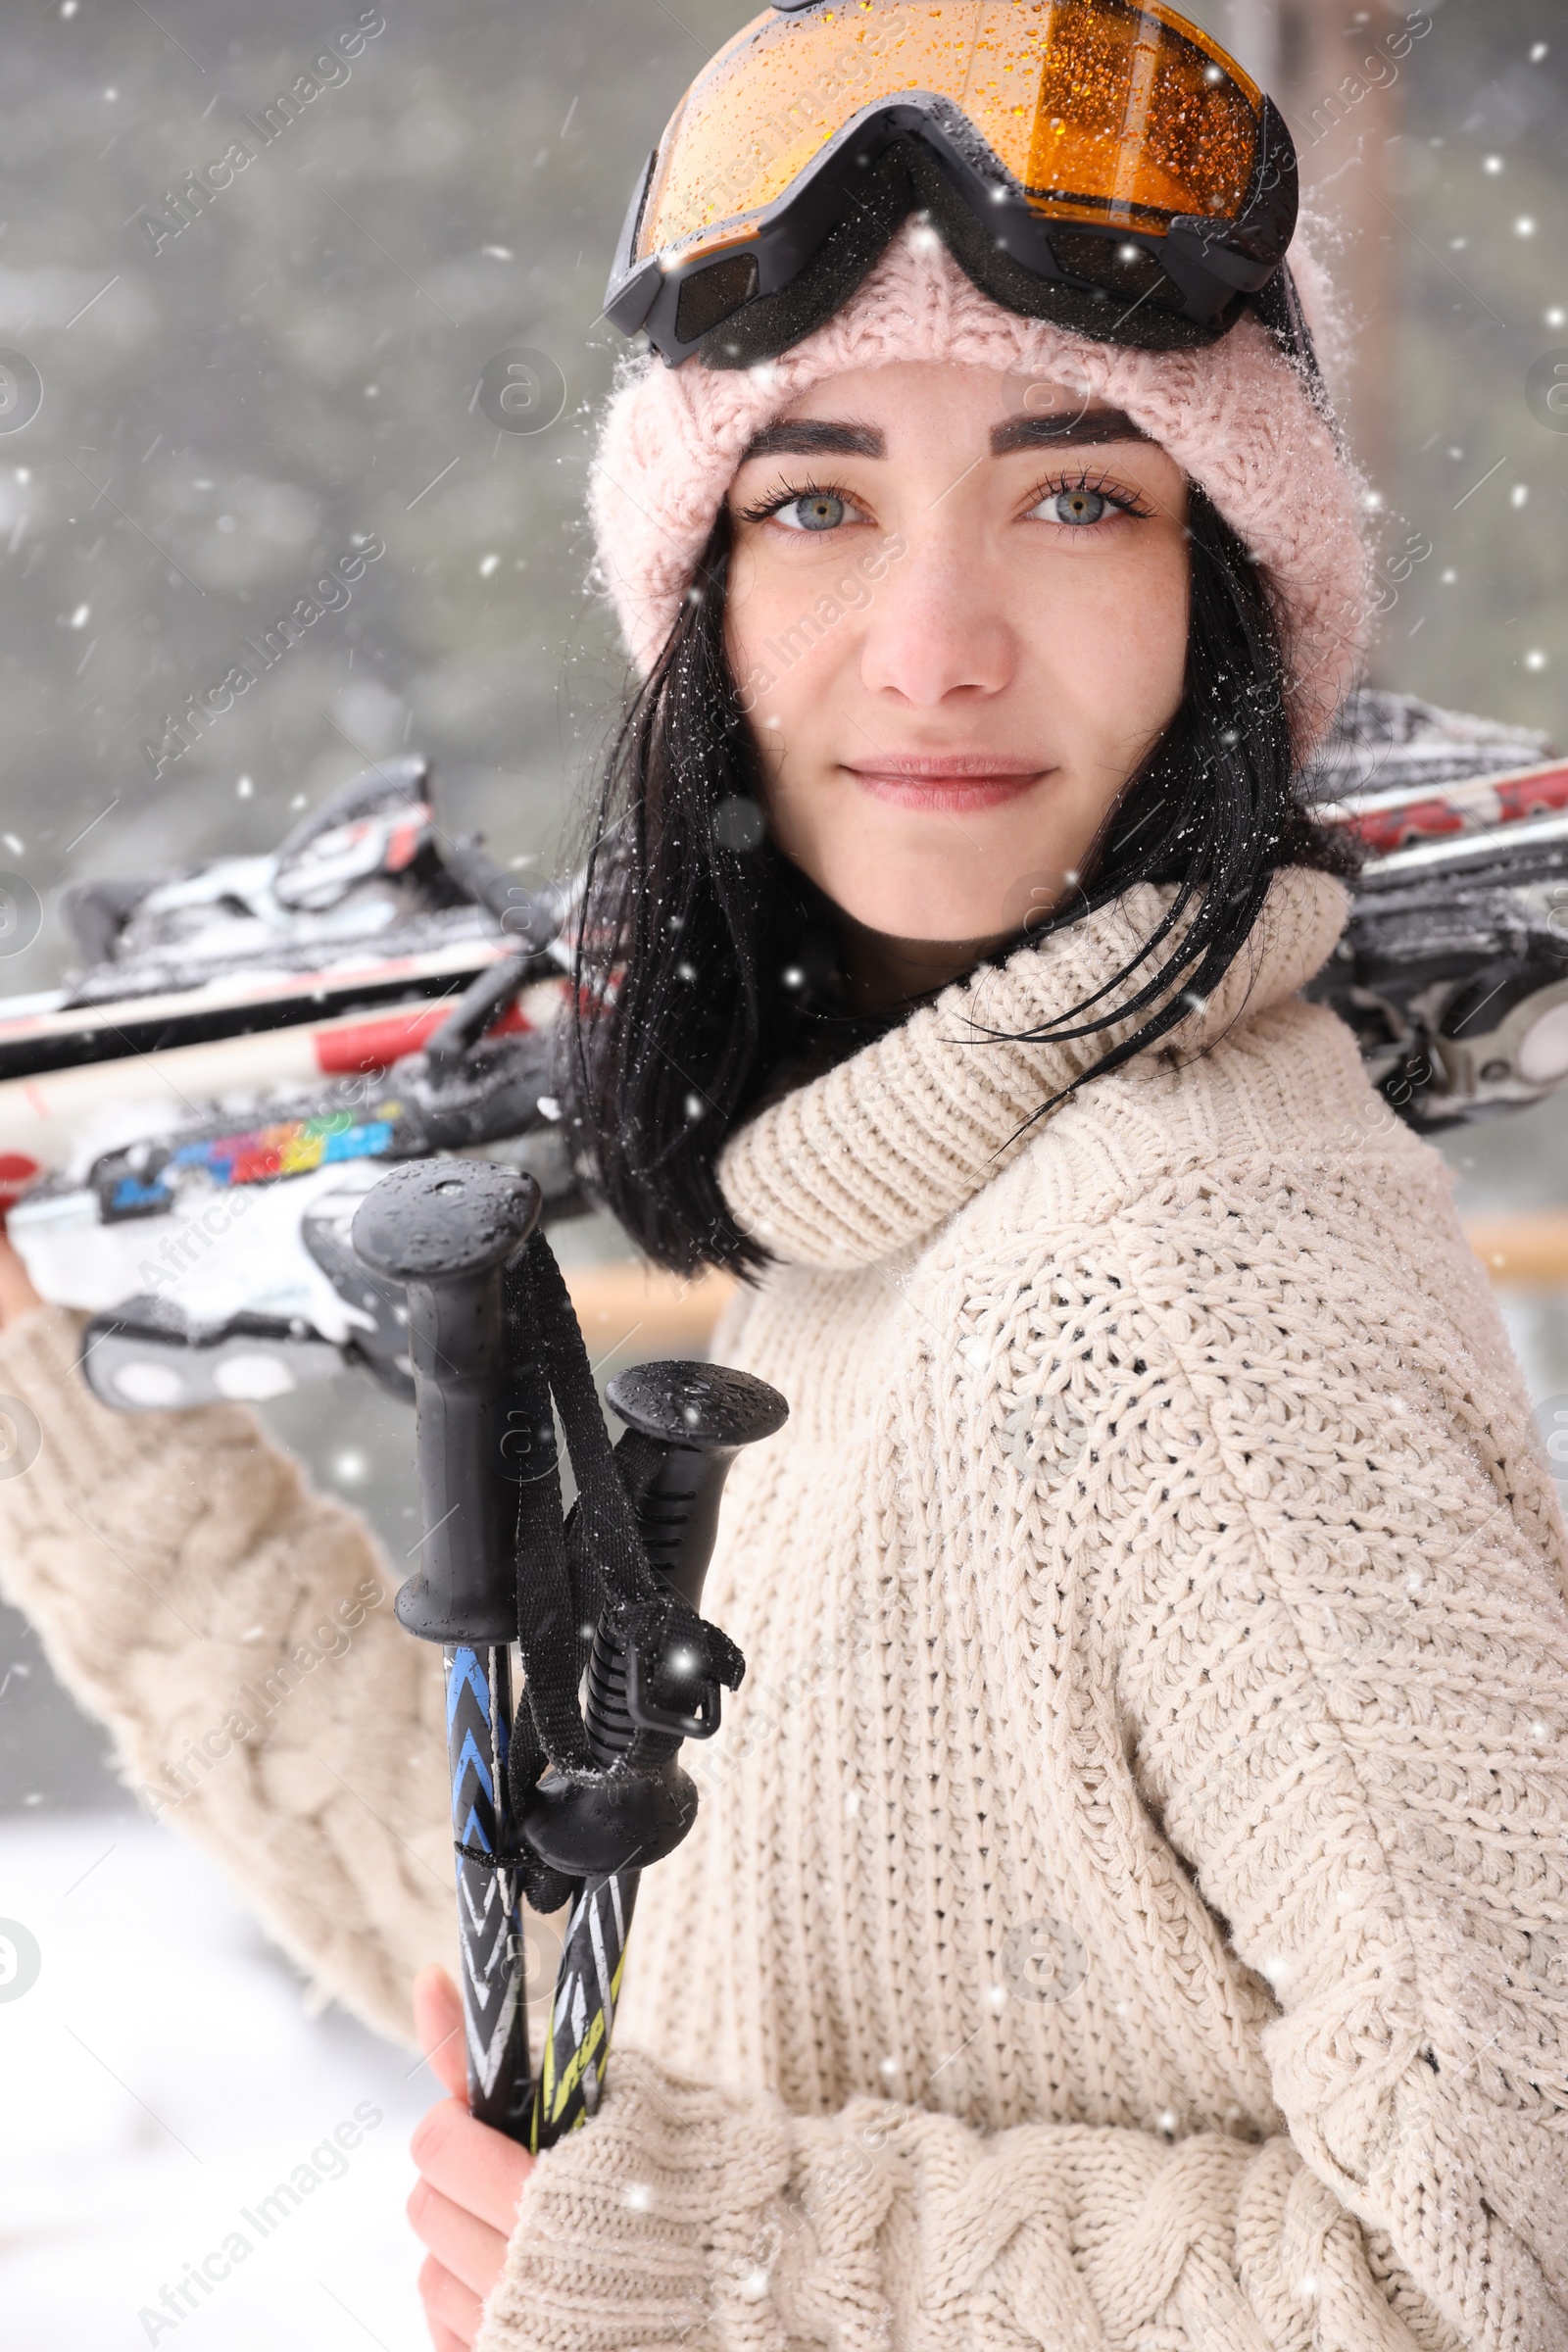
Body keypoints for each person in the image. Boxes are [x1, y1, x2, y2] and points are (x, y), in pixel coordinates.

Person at [2, 7, 1566, 2349]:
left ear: (1226, 598)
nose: (931, 651)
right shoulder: (906, 1217)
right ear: (698, 605)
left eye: (1072, 494)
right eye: (815, 499)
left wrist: (725, 2258)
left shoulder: (1180, 1291)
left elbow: (1501, 2261)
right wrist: (68, 1425)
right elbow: (608, 1998)